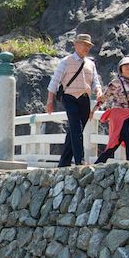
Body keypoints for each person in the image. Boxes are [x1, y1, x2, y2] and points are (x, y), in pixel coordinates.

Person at [46, 33, 103, 167]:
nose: (86, 47)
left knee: (75, 130)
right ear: (75, 45)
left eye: (88, 45)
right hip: (69, 97)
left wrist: (99, 91)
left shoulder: (91, 64)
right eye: (84, 44)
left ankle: (64, 163)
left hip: (84, 98)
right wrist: (49, 101)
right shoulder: (65, 61)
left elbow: (95, 82)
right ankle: (80, 160)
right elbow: (54, 82)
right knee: (76, 127)